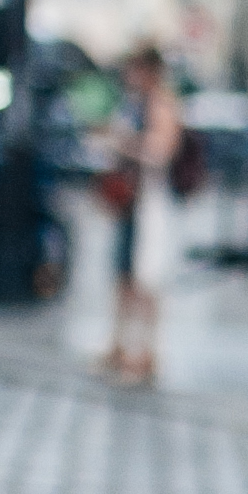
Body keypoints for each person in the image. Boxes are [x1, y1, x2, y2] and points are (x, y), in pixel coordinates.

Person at [98, 45, 184, 387]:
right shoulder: (132, 104)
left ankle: (145, 352)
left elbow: (161, 152)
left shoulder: (162, 105)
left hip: (150, 202)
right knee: (123, 276)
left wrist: (126, 145)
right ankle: (119, 345)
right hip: (129, 200)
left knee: (146, 278)